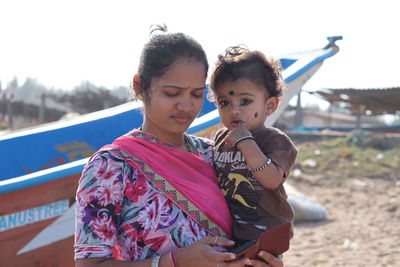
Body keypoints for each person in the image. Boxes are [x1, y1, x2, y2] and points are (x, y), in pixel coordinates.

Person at [74, 27, 284, 267]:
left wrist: (264, 259)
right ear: (139, 86)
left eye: (196, 94)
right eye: (172, 93)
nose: (186, 105)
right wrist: (172, 262)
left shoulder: (217, 154)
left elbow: (251, 226)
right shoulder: (109, 168)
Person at [209, 46, 297, 248]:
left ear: (270, 106)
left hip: (267, 233)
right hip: (234, 231)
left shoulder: (274, 140)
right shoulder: (221, 139)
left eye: (245, 101)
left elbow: (271, 179)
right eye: (224, 102)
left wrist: (246, 142)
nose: (234, 110)